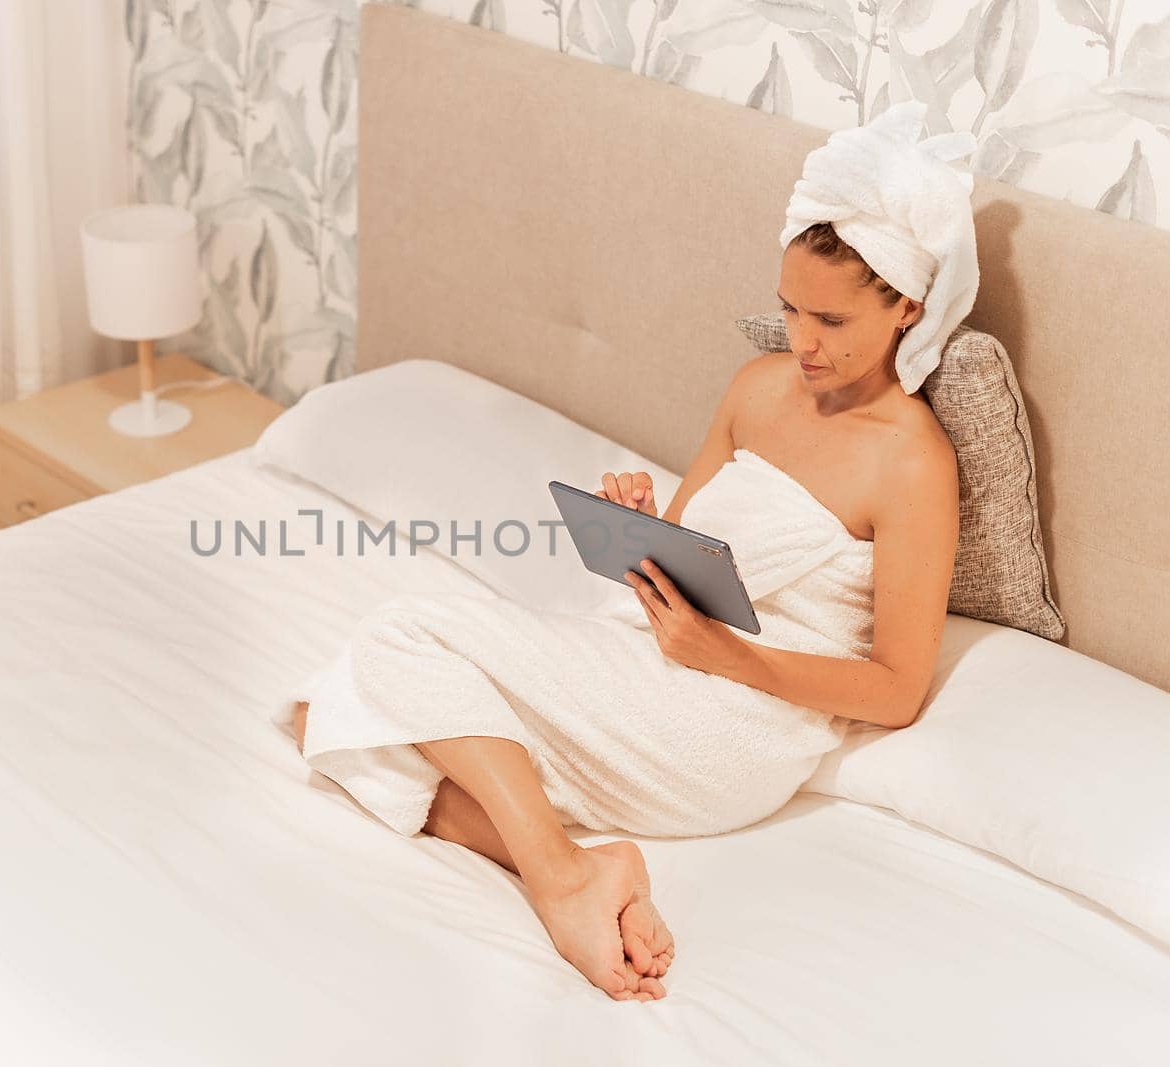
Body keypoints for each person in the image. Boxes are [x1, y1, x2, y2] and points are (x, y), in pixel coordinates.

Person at [284, 101, 973, 1003]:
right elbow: (686, 557)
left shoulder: (913, 461)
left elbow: (897, 688)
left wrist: (726, 655)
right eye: (789, 309)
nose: (802, 341)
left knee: (396, 644)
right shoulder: (758, 387)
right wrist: (643, 530)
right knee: (325, 720)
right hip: (650, 657)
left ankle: (565, 881)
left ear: (906, 307)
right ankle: (568, 863)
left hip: (741, 721)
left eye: (832, 321)